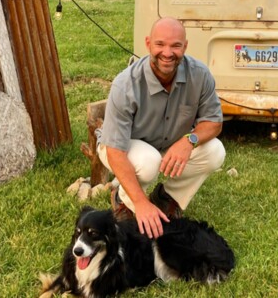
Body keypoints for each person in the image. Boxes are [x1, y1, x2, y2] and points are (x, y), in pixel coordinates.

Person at [96, 17, 225, 239]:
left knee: (215, 151)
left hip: (169, 144)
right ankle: (125, 202)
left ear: (185, 46)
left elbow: (214, 121)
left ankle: (168, 199)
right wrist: (140, 202)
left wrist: (189, 141)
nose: (167, 52)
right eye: (160, 44)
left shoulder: (200, 75)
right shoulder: (126, 83)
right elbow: (115, 150)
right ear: (148, 44)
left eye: (175, 45)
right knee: (149, 161)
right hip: (120, 148)